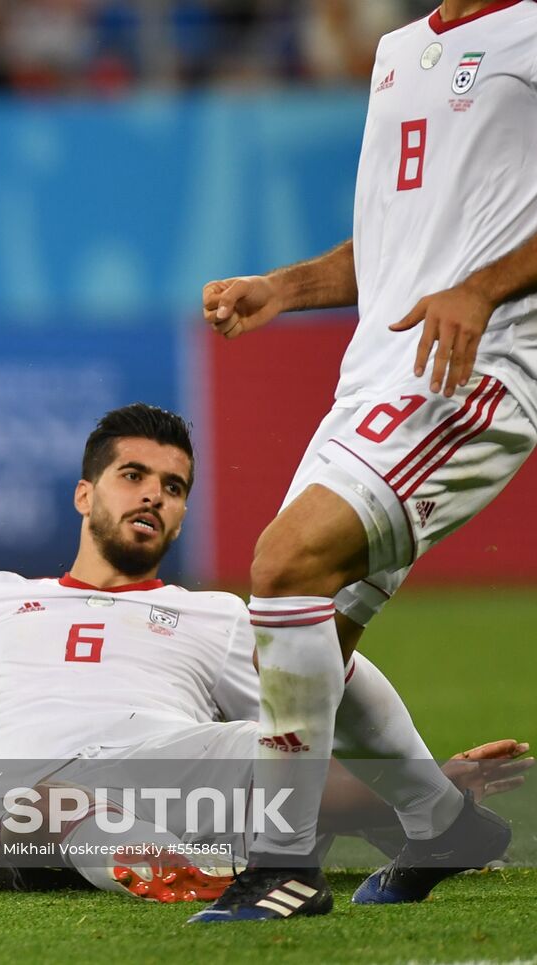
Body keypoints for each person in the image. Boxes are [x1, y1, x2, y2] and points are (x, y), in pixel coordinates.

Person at [0, 404, 529, 900]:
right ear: (87, 492)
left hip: (170, 768)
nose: (154, 495)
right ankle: (159, 857)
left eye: (173, 486)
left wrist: (426, 778)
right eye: (134, 476)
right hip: (34, 796)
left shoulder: (216, 615)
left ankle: (432, 822)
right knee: (23, 793)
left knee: (273, 737)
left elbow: (296, 733)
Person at [196, 0, 537, 922]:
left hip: (476, 370)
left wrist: (482, 287)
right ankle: (443, 823)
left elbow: (469, 264)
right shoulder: (398, 52)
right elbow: (395, 245)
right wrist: (286, 286)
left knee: (284, 565)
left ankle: (280, 866)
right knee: (315, 639)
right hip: (376, 377)